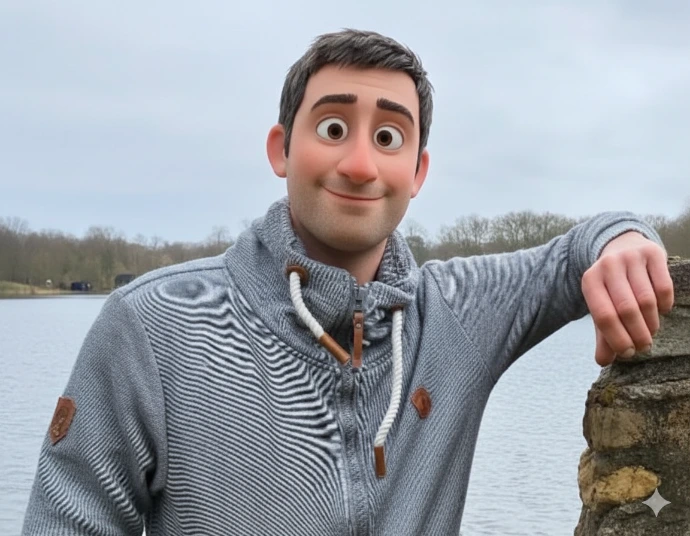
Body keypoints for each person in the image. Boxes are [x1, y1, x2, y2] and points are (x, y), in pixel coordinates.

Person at [22, 29, 674, 536]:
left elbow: (573, 253)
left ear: (417, 172)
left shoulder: (457, 313)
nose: (361, 164)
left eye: (389, 137)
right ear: (281, 149)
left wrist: (624, 239)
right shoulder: (155, 323)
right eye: (333, 128)